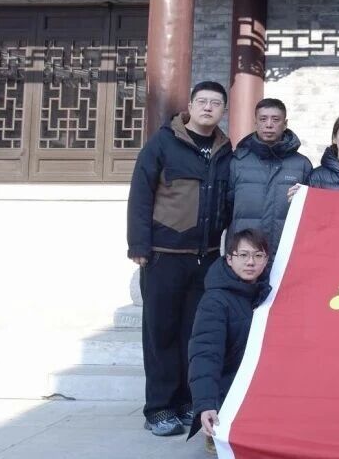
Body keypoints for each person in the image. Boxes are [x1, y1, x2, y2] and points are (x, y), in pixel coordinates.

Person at [126, 80, 233, 437]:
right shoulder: (163, 143)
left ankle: (188, 402)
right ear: (190, 105)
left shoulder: (224, 149)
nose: (208, 108)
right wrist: (139, 246)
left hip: (206, 258)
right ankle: (158, 407)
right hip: (164, 256)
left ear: (223, 110)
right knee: (161, 333)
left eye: (215, 103)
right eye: (202, 101)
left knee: (194, 334)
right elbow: (140, 195)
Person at [187, 228, 272, 455]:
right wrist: (206, 404)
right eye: (243, 255)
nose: (250, 262)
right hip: (228, 388)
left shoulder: (268, 293)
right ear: (229, 259)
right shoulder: (215, 301)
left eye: (258, 255)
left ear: (266, 260)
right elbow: (205, 354)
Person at [228, 98, 312, 254]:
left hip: (285, 252)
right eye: (263, 119)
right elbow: (225, 209)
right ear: (255, 123)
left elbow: (310, 215)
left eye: (275, 119)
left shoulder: (302, 165)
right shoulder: (237, 162)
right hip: (245, 253)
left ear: (285, 124)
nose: (269, 125)